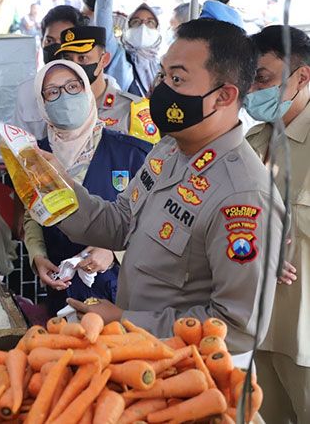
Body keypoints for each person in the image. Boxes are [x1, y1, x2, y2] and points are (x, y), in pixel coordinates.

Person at [51, 19, 283, 353]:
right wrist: (53, 187)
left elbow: (237, 326)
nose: (161, 89)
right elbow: (119, 223)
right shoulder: (169, 149)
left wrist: (125, 321)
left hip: (188, 375)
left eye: (177, 79)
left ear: (224, 96)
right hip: (138, 355)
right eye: (162, 75)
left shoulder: (243, 195)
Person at [23, 60, 151, 316]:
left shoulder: (132, 153)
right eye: (53, 92)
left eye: (72, 86)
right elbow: (33, 213)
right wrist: (37, 255)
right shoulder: (35, 155)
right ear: (42, 103)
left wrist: (115, 252)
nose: (64, 97)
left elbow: (156, 223)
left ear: (87, 91)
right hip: (62, 288)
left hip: (122, 293)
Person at [245, 25, 310, 424]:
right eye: (249, 78)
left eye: (264, 78)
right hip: (254, 327)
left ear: (302, 77)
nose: (253, 89)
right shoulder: (252, 140)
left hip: (303, 332)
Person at [56, 25, 161, 145]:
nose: (74, 67)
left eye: (82, 58)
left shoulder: (134, 110)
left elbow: (149, 159)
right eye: (68, 60)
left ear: (104, 60)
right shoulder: (58, 108)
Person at [13, 5, 89, 140]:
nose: (56, 48)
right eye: (50, 41)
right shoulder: (26, 91)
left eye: (64, 41)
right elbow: (20, 145)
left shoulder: (93, 86)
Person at [94, 0, 161, 97]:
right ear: (126, 29)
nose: (143, 27)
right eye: (136, 22)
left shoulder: (163, 66)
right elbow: (103, 27)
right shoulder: (117, 56)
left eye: (150, 22)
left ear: (158, 31)